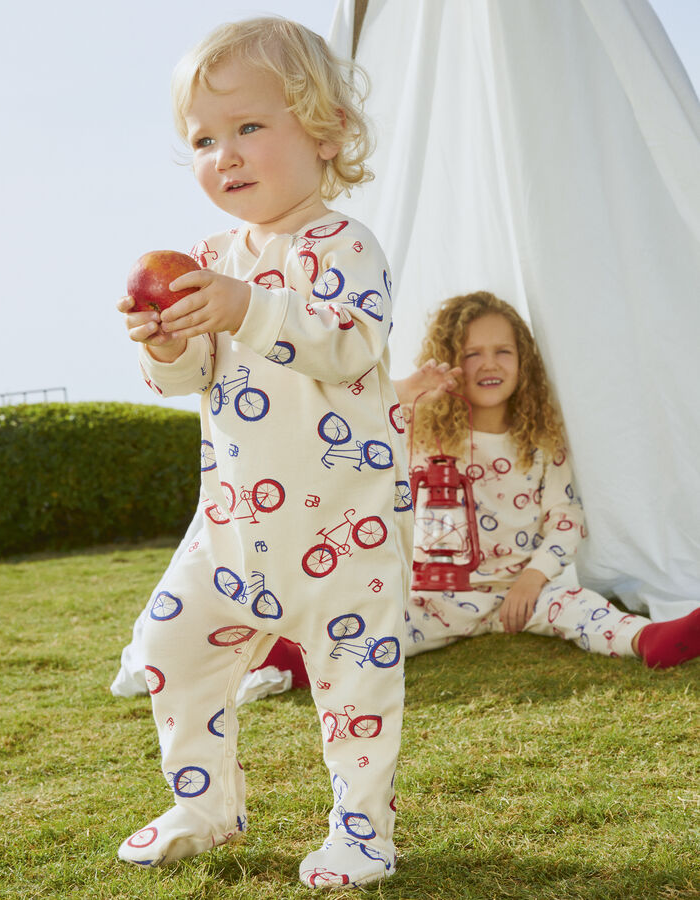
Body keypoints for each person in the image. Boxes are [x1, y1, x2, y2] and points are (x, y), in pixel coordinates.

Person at [115, 17, 412, 888]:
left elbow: (348, 345)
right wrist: (162, 340)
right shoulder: (207, 258)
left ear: (324, 133)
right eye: (204, 139)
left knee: (355, 691)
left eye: (249, 127)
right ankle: (206, 804)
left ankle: (360, 833)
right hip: (232, 528)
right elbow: (188, 377)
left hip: (341, 533)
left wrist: (247, 306)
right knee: (169, 648)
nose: (226, 154)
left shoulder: (345, 246)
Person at [395, 290, 700, 667]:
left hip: (523, 593)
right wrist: (405, 393)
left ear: (524, 362)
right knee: (382, 623)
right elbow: (354, 417)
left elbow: (566, 517)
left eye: (503, 351)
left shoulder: (538, 441)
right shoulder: (418, 431)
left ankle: (648, 638)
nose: (489, 364)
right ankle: (302, 660)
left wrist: (533, 578)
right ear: (448, 363)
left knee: (580, 605)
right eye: (472, 354)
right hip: (438, 596)